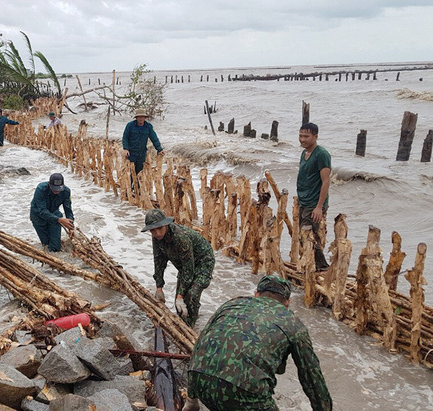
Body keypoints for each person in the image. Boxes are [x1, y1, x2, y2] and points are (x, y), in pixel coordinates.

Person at [188, 275, 333, 411]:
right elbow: (312, 379)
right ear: (287, 302)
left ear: (256, 293)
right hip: (244, 396)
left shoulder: (232, 304)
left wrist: (191, 399)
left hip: (199, 381)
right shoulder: (293, 323)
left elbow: (200, 344)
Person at [142, 209, 214, 327]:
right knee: (179, 302)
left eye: (160, 228)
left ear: (166, 224)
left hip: (203, 262)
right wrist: (159, 288)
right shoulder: (157, 238)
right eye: (153, 230)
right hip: (184, 264)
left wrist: (180, 296)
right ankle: (185, 322)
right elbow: (158, 260)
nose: (158, 233)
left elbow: (188, 268)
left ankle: (190, 328)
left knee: (191, 295)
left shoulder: (181, 237)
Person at [297, 122, 331, 271]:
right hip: (304, 201)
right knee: (306, 236)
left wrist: (319, 207)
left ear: (315, 137)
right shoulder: (304, 153)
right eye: (300, 135)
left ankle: (320, 268)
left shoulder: (321, 154)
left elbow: (326, 181)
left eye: (306, 136)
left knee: (310, 236)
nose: (302, 139)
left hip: (313, 203)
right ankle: (315, 267)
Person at [30, 173, 74, 252]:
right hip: (38, 216)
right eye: (54, 189)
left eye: (59, 189)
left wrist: (71, 226)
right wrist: (60, 220)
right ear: (49, 185)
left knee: (55, 248)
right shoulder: (41, 189)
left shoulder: (66, 191)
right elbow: (42, 211)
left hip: (54, 214)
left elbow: (68, 209)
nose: (57, 191)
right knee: (46, 244)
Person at [122, 108, 164, 176]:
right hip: (131, 153)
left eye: (142, 117)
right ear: (136, 118)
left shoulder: (148, 127)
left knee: (140, 173)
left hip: (141, 153)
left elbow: (154, 138)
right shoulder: (130, 125)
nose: (140, 118)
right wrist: (125, 149)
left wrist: (159, 149)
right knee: (130, 172)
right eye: (139, 117)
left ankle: (138, 186)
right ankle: (131, 186)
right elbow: (125, 137)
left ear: (145, 118)